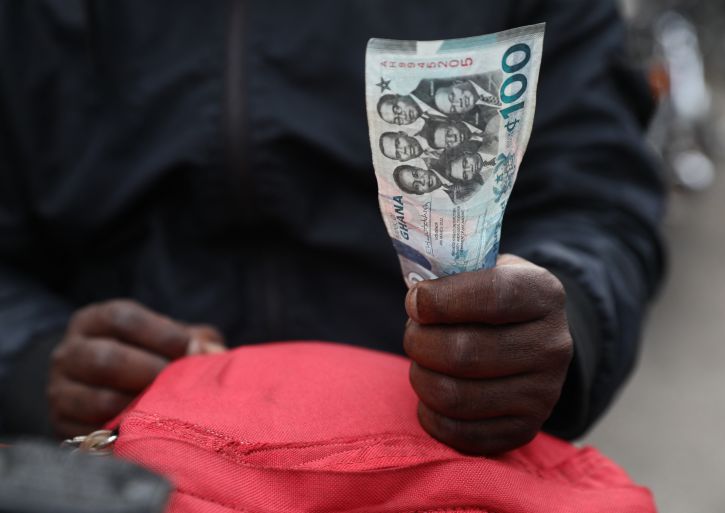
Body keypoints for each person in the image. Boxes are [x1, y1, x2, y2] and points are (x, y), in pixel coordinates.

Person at [0, 0, 665, 455]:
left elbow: (596, 198)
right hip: (128, 467)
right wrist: (34, 362)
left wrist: (556, 319)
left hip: (430, 461)